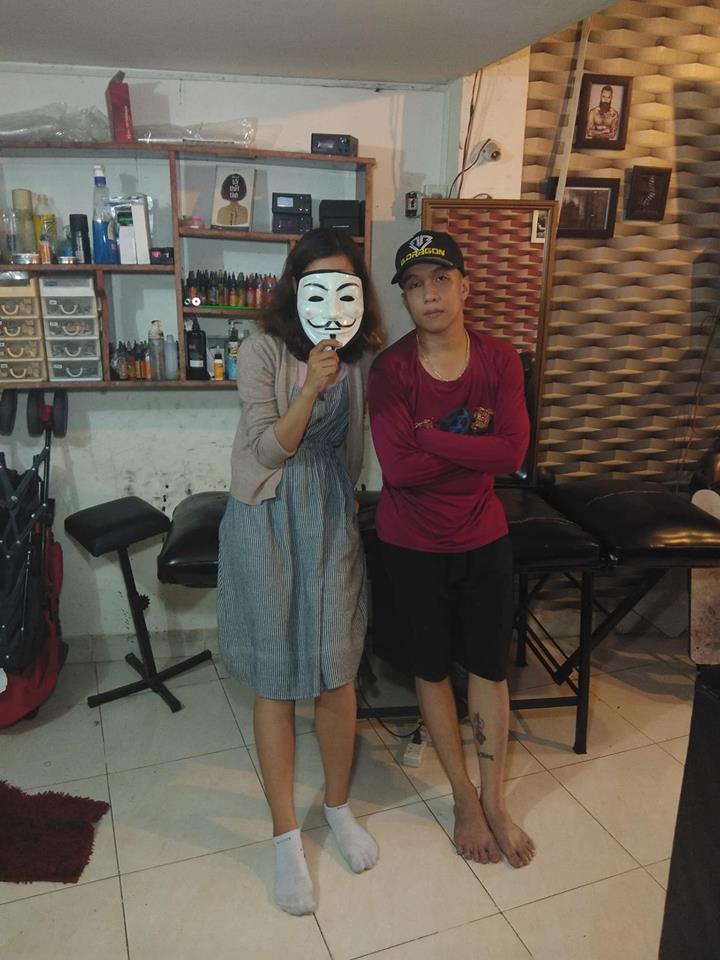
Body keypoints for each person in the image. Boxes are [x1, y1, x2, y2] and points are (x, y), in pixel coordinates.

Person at [217, 228, 384, 914]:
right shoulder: (260, 350)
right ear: (293, 289)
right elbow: (269, 447)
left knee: (337, 670)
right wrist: (312, 385)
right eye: (317, 288)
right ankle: (286, 834)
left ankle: (338, 805)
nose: (332, 305)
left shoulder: (359, 357)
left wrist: (349, 502)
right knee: (277, 678)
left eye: (346, 289)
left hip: (329, 514)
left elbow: (351, 446)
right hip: (266, 513)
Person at [367, 230, 535, 869]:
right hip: (411, 543)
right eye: (415, 285)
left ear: (465, 286)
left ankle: (495, 798)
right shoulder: (391, 371)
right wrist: (474, 454)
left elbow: (511, 453)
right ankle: (464, 798)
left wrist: (431, 437)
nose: (430, 294)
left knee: (490, 668)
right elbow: (399, 469)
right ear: (405, 299)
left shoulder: (499, 361)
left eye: (441, 279)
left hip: (483, 537)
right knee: (432, 669)